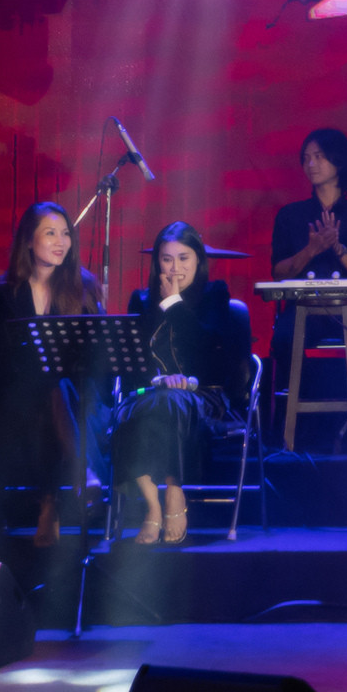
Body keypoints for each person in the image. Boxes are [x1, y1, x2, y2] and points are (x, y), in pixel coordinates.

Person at [101, 221, 251, 545]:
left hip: (204, 395)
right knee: (132, 411)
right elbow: (133, 363)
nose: (175, 268)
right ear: (157, 262)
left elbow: (211, 353)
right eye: (167, 259)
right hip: (152, 393)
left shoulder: (215, 295)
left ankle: (173, 492)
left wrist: (173, 304)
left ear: (198, 260)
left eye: (184, 258)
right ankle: (153, 505)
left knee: (171, 403)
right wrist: (159, 379)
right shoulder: (141, 300)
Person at [0, 202, 96, 554]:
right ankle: (74, 479)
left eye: (65, 234)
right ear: (28, 240)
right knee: (40, 391)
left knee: (56, 387)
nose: (61, 242)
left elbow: (93, 355)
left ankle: (50, 501)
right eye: (50, 233)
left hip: (74, 390)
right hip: (19, 392)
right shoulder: (4, 291)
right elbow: (2, 356)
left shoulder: (83, 287)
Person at [265, 127, 347, 413]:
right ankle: (301, 413)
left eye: (319, 156)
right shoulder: (290, 215)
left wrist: (338, 249)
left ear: (338, 161)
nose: (311, 164)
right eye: (306, 158)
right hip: (303, 308)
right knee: (283, 340)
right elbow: (277, 272)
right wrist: (311, 250)